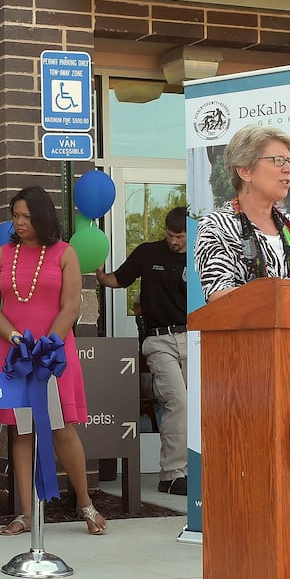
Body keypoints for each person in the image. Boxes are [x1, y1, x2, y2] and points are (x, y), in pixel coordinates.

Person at [0, 186, 106, 537]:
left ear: (42, 217)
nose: (18, 223)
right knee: (21, 430)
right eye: (15, 216)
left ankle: (85, 504)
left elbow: (71, 306)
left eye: (26, 216)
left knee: (61, 428)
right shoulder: (2, 255)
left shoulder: (65, 253)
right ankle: (27, 515)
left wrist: (47, 344)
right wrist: (16, 338)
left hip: (52, 354)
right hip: (12, 352)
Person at [97, 205, 189, 495]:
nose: (174, 241)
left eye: (180, 236)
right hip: (158, 341)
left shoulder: (201, 256)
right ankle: (172, 475)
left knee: (199, 407)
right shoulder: (148, 252)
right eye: (170, 235)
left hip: (195, 338)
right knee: (179, 402)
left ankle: (198, 471)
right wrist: (99, 275)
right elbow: (117, 279)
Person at [193, 125, 290, 301]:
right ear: (245, 171)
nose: (289, 169)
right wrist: (286, 289)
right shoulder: (216, 226)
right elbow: (218, 298)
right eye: (278, 160)